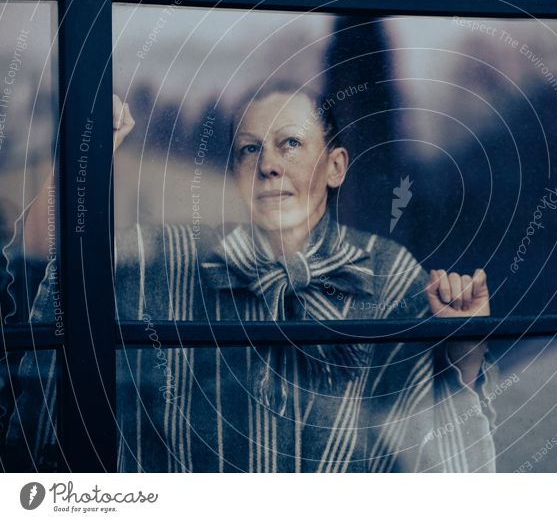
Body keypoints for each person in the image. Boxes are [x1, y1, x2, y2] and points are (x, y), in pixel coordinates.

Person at [5, 87, 497, 472]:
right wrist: (86, 155)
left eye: (290, 144)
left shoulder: (387, 272)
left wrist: (463, 346)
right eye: (249, 150)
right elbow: (48, 259)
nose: (267, 166)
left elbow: (429, 438)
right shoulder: (176, 259)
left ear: (336, 166)